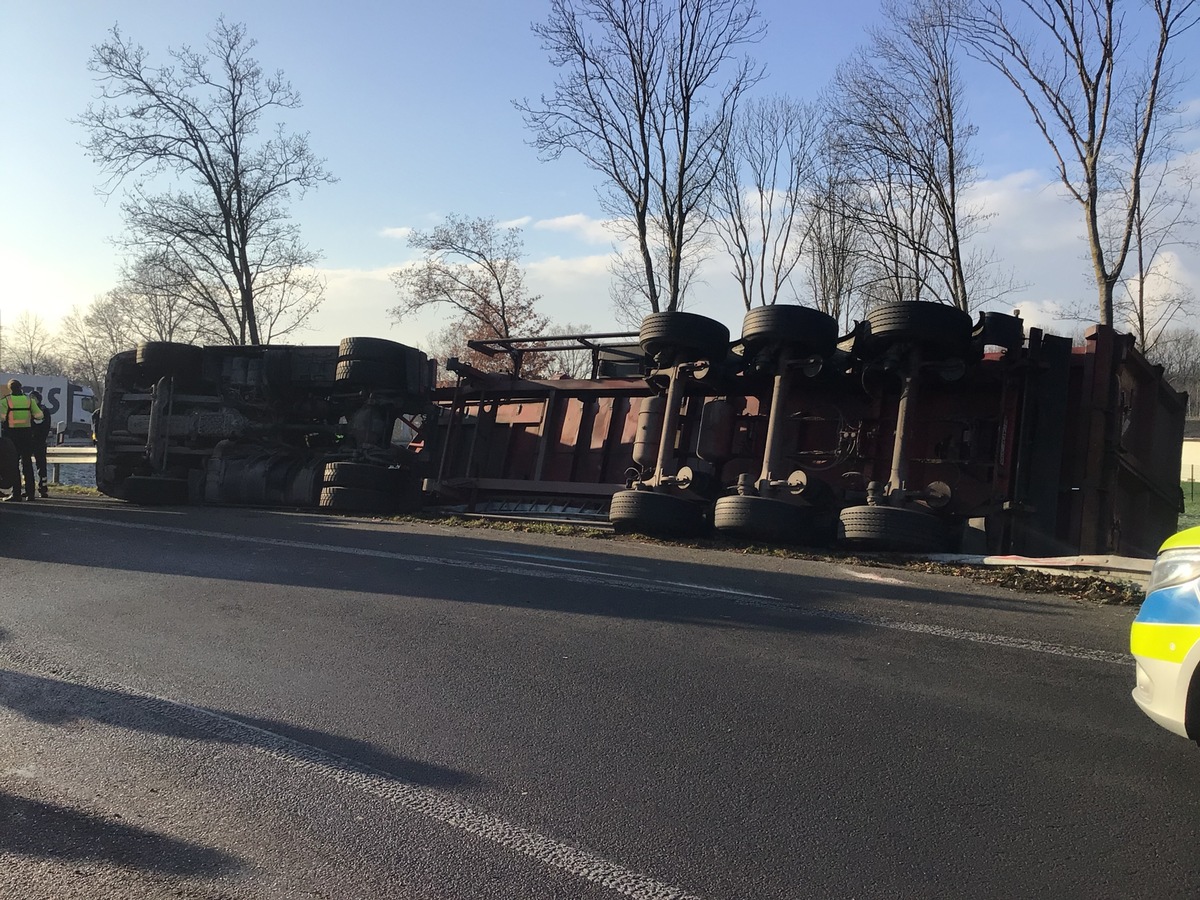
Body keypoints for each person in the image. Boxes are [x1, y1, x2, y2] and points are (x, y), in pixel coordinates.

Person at [0, 380, 45, 501]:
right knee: (27, 463)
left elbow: (1, 418)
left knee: (14, 465)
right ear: (21, 388)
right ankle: (30, 493)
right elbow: (40, 416)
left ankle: (16, 494)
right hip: (26, 435)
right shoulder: (28, 400)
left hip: (12, 436)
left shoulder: (6, 401)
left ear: (10, 389)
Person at [28, 389, 51, 498]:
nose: (32, 400)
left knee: (41, 466)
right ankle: (29, 488)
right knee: (26, 465)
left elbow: (44, 426)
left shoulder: (43, 410)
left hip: (39, 442)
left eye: (34, 398)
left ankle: (43, 488)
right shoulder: (28, 410)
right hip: (29, 441)